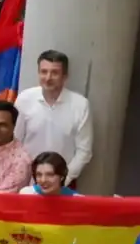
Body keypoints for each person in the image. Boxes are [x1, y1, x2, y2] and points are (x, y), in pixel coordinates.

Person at [13, 49, 92, 183]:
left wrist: (64, 178)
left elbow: (84, 151)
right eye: (44, 72)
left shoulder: (80, 105)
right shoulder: (24, 99)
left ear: (65, 76)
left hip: (62, 184)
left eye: (54, 73)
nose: (48, 78)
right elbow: (15, 141)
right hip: (26, 180)